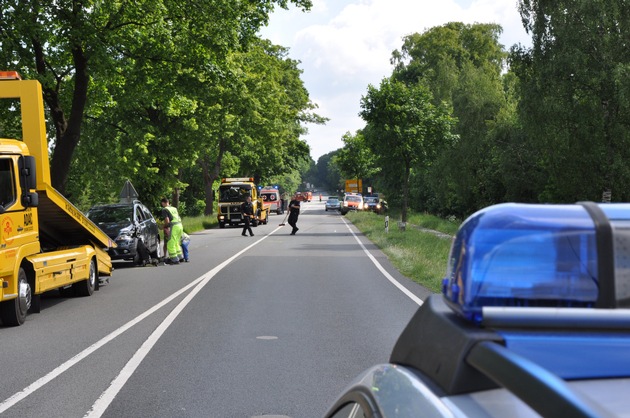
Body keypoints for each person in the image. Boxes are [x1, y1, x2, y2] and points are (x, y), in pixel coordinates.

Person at [160, 197, 184, 265]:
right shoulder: (174, 208)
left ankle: (174, 259)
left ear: (163, 203)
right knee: (176, 242)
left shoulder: (165, 209)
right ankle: (180, 257)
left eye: (162, 204)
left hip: (174, 226)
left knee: (170, 243)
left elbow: (167, 221)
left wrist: (163, 226)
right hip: (180, 225)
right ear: (168, 202)